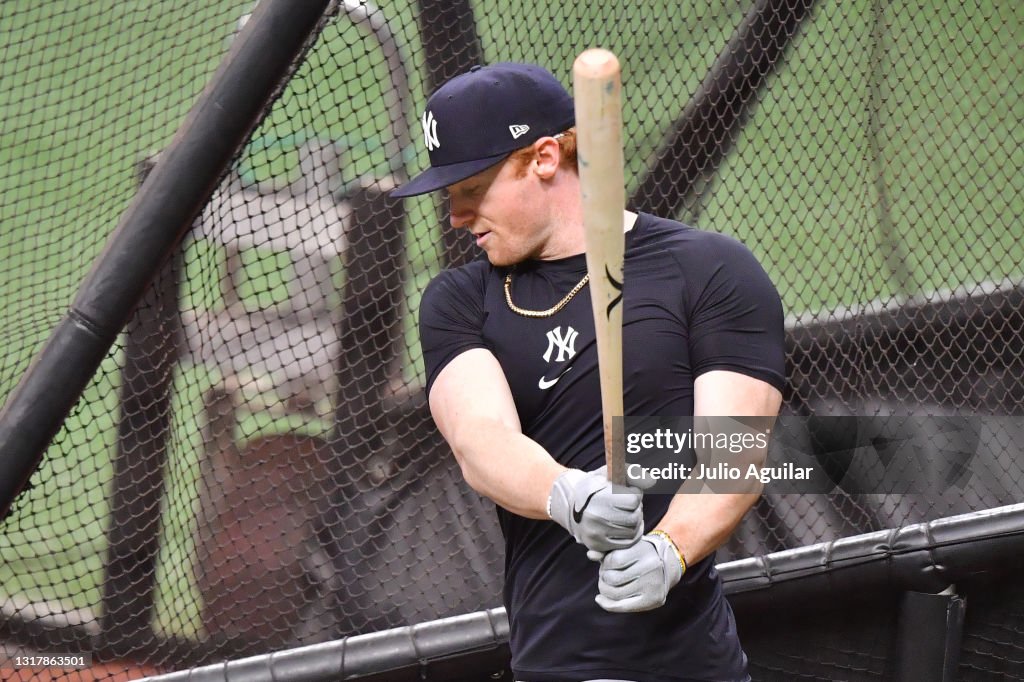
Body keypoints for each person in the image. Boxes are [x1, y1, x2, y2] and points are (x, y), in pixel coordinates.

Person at [392, 62, 785, 682]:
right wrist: (565, 494)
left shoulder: (709, 270)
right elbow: (480, 439)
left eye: (470, 188)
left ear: (544, 157)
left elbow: (735, 458)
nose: (455, 217)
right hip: (555, 665)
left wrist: (669, 549)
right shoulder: (461, 301)